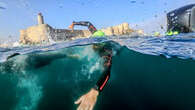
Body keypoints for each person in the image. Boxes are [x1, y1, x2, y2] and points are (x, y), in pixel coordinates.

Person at [69, 21, 112, 110]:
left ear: (101, 45)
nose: (93, 46)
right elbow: (88, 24)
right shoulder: (96, 33)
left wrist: (95, 90)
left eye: (95, 45)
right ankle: (76, 56)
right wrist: (74, 23)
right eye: (92, 42)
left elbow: (107, 71)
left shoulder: (106, 51)